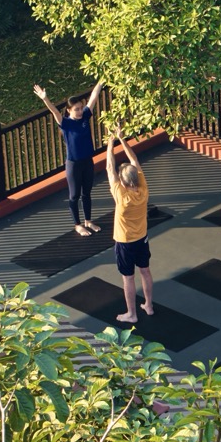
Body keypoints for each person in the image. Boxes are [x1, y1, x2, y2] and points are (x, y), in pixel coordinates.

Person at [35, 78, 105, 236]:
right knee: (74, 195)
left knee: (87, 192)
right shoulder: (65, 123)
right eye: (76, 109)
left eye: (81, 108)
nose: (80, 111)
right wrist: (45, 98)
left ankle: (88, 221)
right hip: (73, 164)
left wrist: (101, 81)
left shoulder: (86, 116)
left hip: (87, 161)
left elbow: (93, 97)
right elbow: (54, 111)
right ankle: (78, 225)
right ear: (69, 111)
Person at [106, 122, 153, 323]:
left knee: (128, 277)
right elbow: (134, 159)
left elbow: (109, 167)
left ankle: (132, 314)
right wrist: (123, 138)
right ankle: (149, 305)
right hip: (142, 238)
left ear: (123, 182)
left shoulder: (121, 197)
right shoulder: (143, 190)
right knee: (145, 270)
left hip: (125, 242)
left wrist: (111, 140)